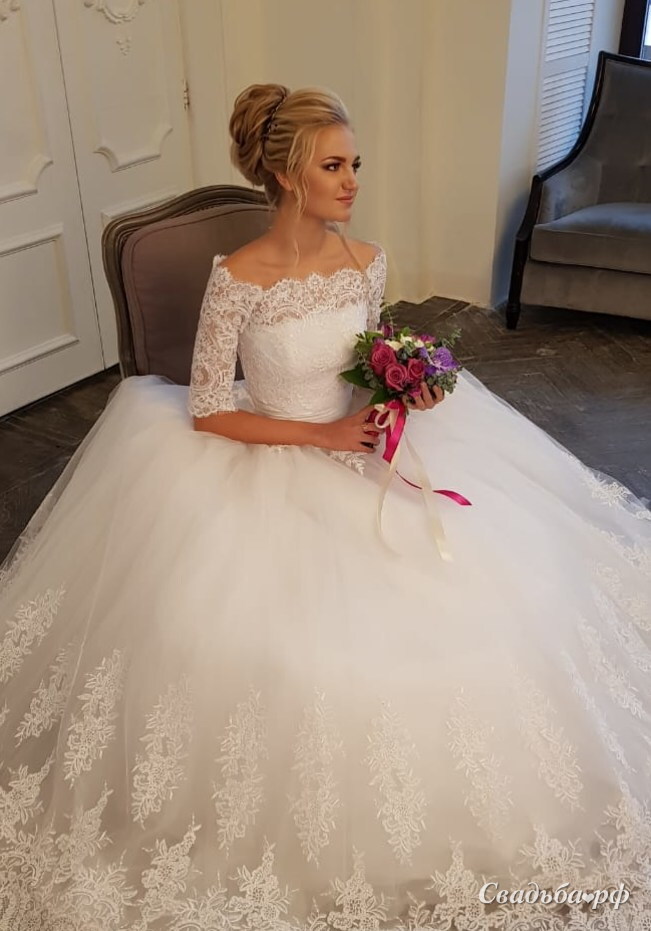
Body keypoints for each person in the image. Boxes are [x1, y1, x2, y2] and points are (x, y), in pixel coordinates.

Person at [0, 82, 650, 931]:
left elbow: (367, 361)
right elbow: (207, 410)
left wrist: (396, 395)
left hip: (362, 443)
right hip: (270, 452)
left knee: (501, 590)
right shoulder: (237, 278)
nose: (352, 182)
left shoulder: (364, 260)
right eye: (333, 167)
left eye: (355, 164)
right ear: (286, 176)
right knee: (297, 647)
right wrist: (320, 438)